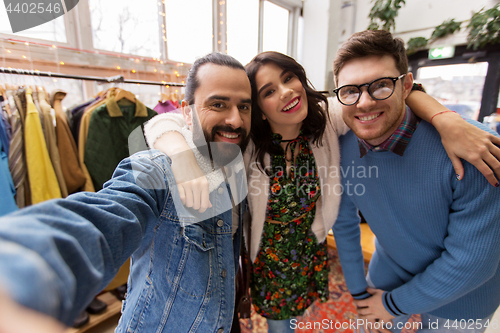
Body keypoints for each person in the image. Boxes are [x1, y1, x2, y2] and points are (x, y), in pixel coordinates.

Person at [145, 51, 500, 333]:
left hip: (310, 255)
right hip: (269, 262)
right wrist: (181, 158)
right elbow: (165, 121)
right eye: (268, 91)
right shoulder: (248, 141)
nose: (286, 91)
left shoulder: (327, 122)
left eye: (289, 78)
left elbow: (390, 98)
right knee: (280, 327)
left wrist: (445, 118)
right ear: (259, 109)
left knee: (302, 321)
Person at [0, 52, 252, 333]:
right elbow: (103, 217)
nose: (236, 120)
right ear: (186, 111)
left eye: (244, 107)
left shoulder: (234, 163)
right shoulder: (157, 170)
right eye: (218, 104)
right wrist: (17, 271)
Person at [331, 30, 500, 333]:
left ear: (407, 85)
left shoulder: (473, 149)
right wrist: (358, 292)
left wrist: (393, 304)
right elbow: (344, 224)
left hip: (463, 296)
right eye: (350, 91)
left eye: (380, 85)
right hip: (389, 269)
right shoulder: (342, 147)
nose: (364, 102)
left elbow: (472, 262)